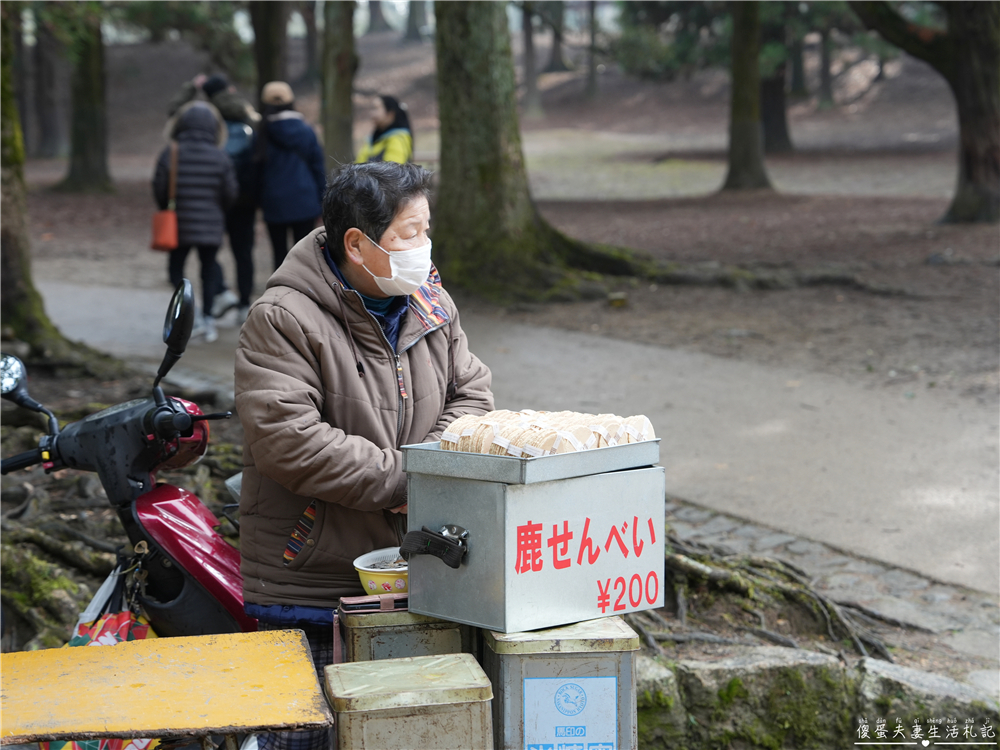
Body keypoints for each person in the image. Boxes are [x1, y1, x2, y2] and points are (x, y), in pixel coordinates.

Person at [234, 161, 493, 750]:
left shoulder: (430, 300)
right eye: (410, 232)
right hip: (314, 579)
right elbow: (290, 442)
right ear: (357, 243)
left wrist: (434, 461)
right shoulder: (282, 319)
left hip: (420, 569)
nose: (424, 246)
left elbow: (473, 391)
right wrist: (413, 478)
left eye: (427, 229)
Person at [168, 74, 261, 324]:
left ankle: (220, 292)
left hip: (213, 197)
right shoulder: (246, 113)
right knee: (243, 253)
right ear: (229, 89)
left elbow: (174, 112)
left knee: (207, 250)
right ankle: (244, 305)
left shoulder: (205, 114)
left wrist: (190, 87)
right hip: (245, 197)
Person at [154, 102, 237, 343]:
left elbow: (159, 187)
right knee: (209, 270)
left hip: (178, 223)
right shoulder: (220, 155)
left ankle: (189, 314)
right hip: (211, 223)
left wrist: (167, 207)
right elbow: (230, 192)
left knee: (175, 270)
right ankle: (208, 319)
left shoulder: (171, 152)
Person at [255, 81, 326, 270]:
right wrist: (322, 200)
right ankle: (304, 294)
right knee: (304, 253)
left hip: (274, 201)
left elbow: (255, 171)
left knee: (279, 254)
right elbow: (317, 166)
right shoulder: (306, 130)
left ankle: (279, 292)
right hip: (305, 199)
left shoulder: (261, 132)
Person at [355, 94, 414, 164]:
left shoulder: (397, 139)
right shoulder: (373, 139)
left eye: (375, 108)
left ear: (390, 114)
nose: (371, 113)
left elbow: (392, 172)